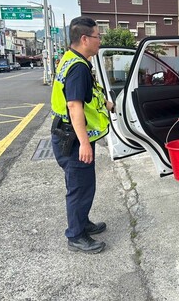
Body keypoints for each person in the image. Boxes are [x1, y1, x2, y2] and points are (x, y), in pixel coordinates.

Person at [50, 16, 115, 253]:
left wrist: (107, 105)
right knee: (79, 188)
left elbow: (88, 97)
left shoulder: (72, 60)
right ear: (85, 38)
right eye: (98, 36)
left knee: (84, 185)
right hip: (74, 140)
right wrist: (85, 144)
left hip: (69, 135)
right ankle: (75, 236)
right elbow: (74, 106)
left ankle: (83, 223)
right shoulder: (78, 68)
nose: (100, 41)